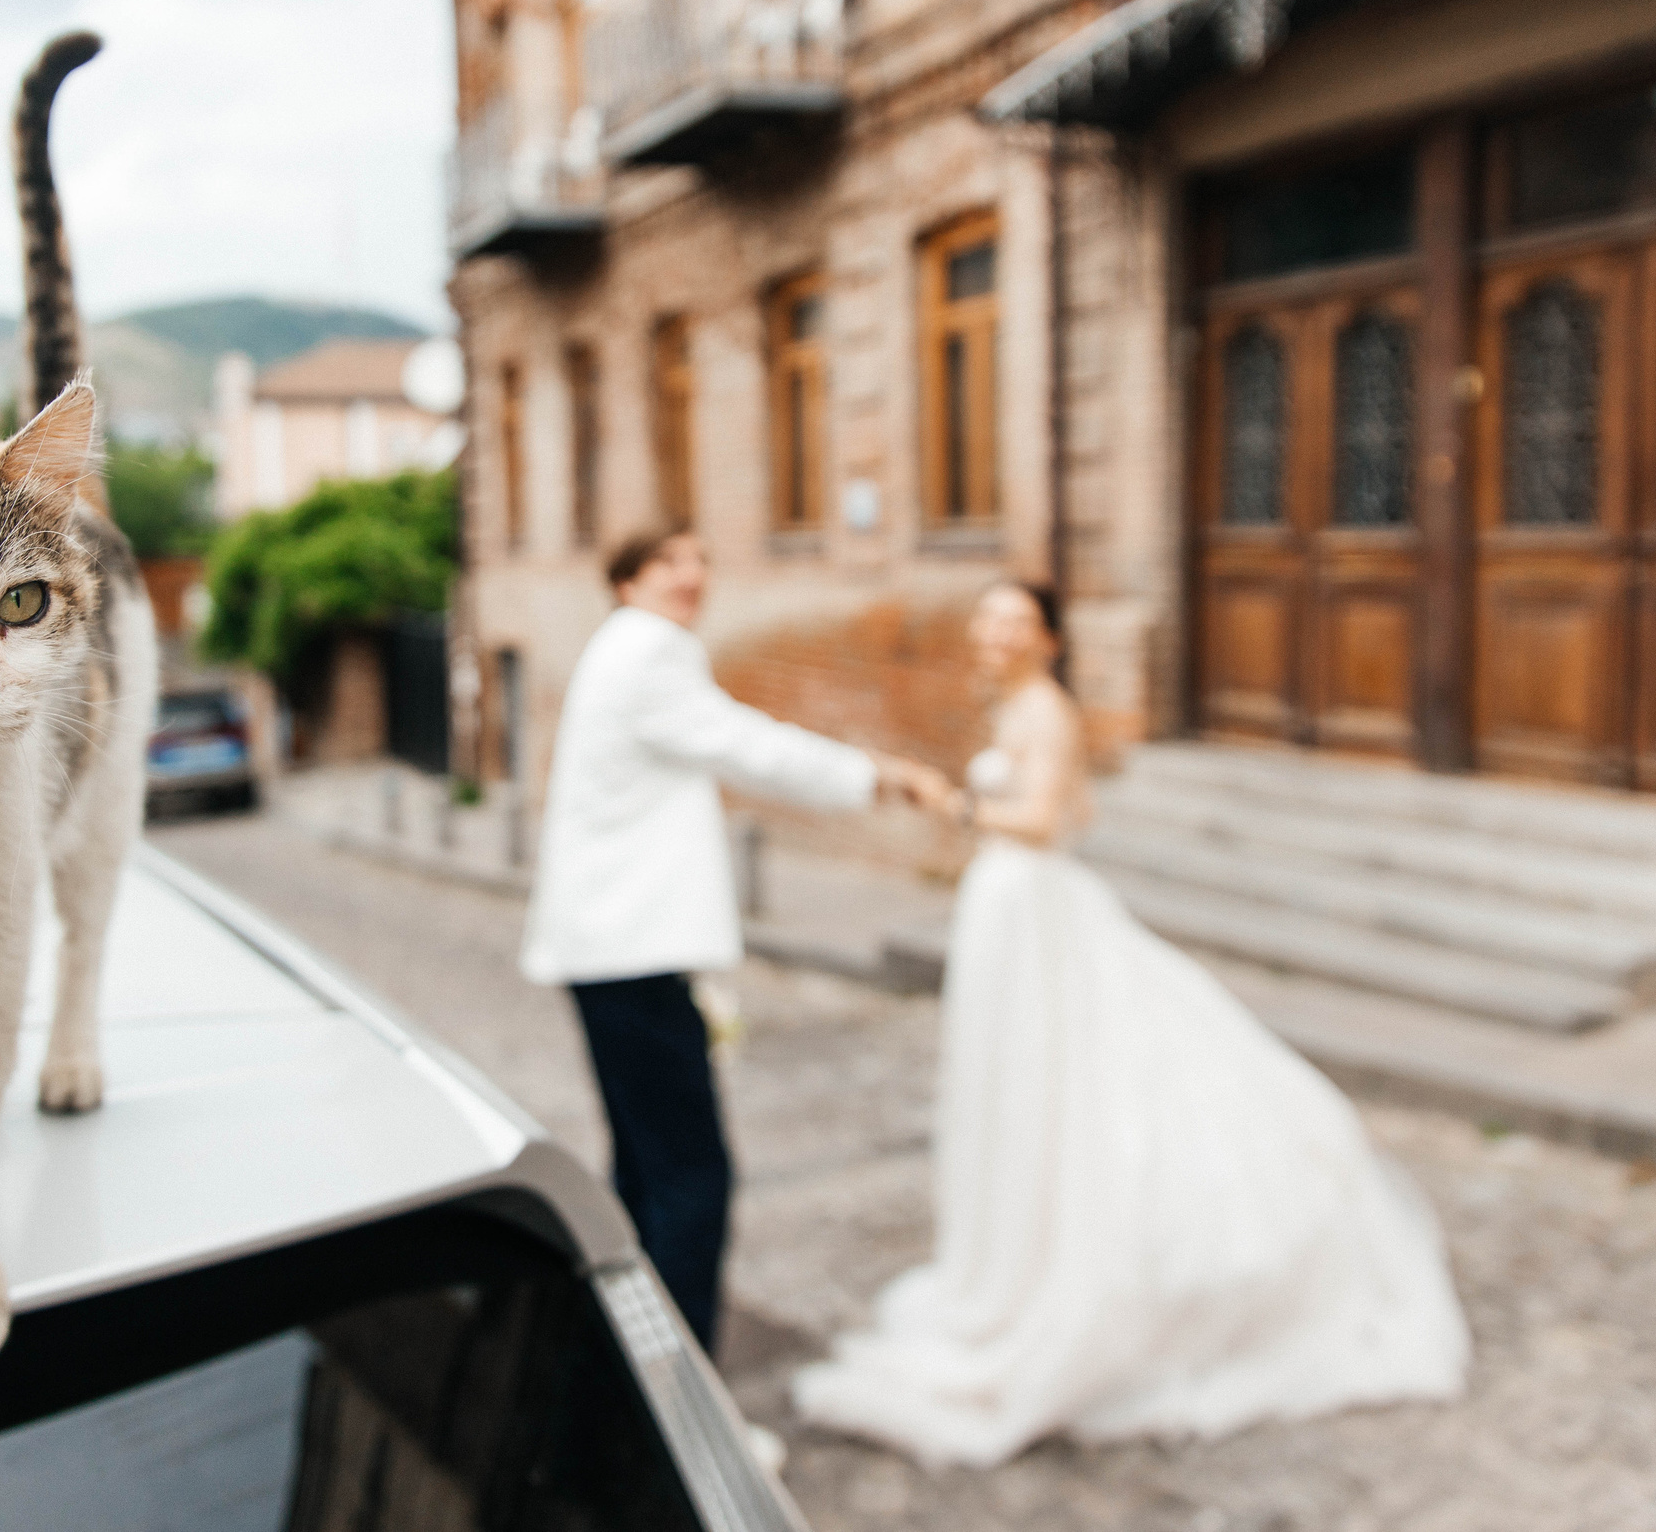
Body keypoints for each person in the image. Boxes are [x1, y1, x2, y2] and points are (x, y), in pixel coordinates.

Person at [793, 580, 1467, 1466]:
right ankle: (1014, 1254)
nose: (994, 633)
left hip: (1030, 904)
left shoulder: (1049, 712)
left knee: (1073, 1078)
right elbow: (1078, 810)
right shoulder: (1022, 709)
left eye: (1013, 621)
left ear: (1047, 638)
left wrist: (948, 804)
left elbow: (1038, 821)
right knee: (1021, 1084)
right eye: (986, 619)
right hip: (1009, 909)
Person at [523, 527, 943, 1351]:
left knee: (646, 1172)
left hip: (610, 951)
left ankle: (624, 1370)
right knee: (691, 1181)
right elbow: (748, 743)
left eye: (701, 559)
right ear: (625, 582)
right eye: (668, 562)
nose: (693, 575)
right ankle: (684, 1397)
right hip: (630, 953)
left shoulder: (621, 649)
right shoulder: (649, 653)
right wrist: (875, 774)